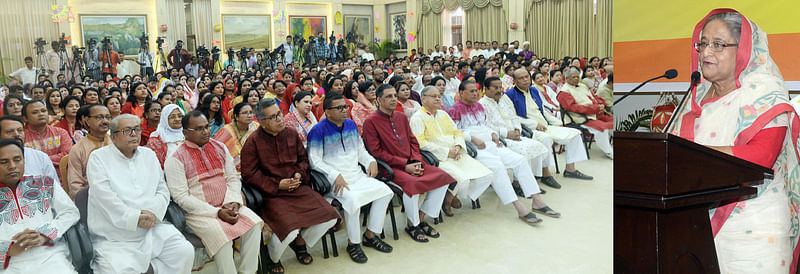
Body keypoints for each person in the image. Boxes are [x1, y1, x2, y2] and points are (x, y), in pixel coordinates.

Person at [668, 9, 800, 273]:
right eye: (703, 44)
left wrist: (687, 153)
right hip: (695, 229)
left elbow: (760, 157)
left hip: (756, 232)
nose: (705, 53)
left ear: (744, 50)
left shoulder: (766, 95)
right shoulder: (694, 100)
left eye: (718, 45)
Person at [86, 114, 194, 273]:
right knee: (117, 269)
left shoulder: (148, 154)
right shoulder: (98, 158)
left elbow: (162, 189)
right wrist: (134, 218)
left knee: (183, 251)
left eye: (136, 129)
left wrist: (153, 212)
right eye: (127, 130)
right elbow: (105, 198)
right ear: (113, 137)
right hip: (115, 235)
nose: (134, 134)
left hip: (152, 227)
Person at [241, 99, 339, 273]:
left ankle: (300, 241)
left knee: (330, 216)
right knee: (289, 229)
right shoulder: (253, 142)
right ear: (262, 122)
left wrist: (299, 174)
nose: (280, 119)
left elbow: (303, 159)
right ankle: (273, 257)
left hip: (297, 188)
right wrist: (277, 184)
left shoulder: (292, 133)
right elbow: (249, 174)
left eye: (279, 113)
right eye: (273, 117)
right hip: (272, 194)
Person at [165, 111, 263, 274]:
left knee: (254, 224)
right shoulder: (175, 159)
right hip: (199, 214)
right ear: (185, 132)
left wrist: (233, 202)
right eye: (199, 129)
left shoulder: (219, 147)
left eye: (206, 127)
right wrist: (217, 212)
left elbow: (232, 178)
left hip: (228, 205)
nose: (205, 132)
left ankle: (248, 271)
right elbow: (181, 198)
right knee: (221, 237)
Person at [449, 80, 560, 223]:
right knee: (498, 167)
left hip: (491, 142)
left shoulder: (478, 106)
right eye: (471, 91)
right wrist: (473, 139)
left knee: (519, 160)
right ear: (461, 93)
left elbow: (483, 126)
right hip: (474, 148)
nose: (475, 94)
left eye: (476, 91)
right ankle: (518, 206)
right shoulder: (454, 110)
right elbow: (455, 133)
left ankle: (536, 200)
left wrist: (494, 135)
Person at [307, 92, 394, 263]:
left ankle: (370, 234)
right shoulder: (317, 130)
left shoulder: (350, 124)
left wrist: (370, 161)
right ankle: (353, 243)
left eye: (345, 106)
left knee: (385, 191)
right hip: (335, 180)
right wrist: (334, 175)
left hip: (356, 175)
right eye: (339, 108)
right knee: (353, 201)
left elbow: (360, 150)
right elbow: (314, 161)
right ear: (327, 111)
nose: (344, 110)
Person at [362, 84, 454, 242]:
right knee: (412, 185)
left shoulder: (401, 117)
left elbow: (413, 142)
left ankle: (420, 217)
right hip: (390, 168)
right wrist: (404, 165)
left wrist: (417, 160)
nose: (393, 99)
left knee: (443, 178)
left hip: (412, 162)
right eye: (388, 97)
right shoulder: (371, 122)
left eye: (394, 96)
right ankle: (412, 225)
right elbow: (376, 152)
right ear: (378, 100)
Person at [409, 86, 494, 216]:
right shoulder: (418, 117)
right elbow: (421, 143)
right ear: (423, 99)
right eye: (434, 96)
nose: (438, 98)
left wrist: (458, 146)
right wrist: (446, 152)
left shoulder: (443, 114)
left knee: (487, 176)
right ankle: (449, 199)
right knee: (463, 181)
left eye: (439, 96)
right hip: (438, 158)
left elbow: (457, 132)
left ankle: (451, 194)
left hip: (457, 153)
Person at [0, 138, 79, 273]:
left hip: (50, 255)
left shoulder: (44, 183)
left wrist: (44, 234)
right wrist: (8, 249)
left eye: (17, 160)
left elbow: (71, 212)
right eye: (4, 162)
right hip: (11, 263)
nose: (12, 166)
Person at [505, 68, 593, 180]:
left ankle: (570, 169)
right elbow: (512, 117)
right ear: (515, 81)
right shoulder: (509, 94)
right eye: (521, 78)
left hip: (545, 125)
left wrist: (556, 122)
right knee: (546, 139)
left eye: (526, 77)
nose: (525, 80)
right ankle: (545, 174)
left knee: (575, 134)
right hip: (529, 128)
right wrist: (534, 124)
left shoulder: (534, 90)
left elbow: (542, 110)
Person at [480, 77, 562, 189]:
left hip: (515, 134)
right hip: (500, 138)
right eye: (495, 88)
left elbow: (514, 117)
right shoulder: (482, 104)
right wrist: (507, 134)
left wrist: (517, 130)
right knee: (523, 151)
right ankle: (518, 183)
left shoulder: (504, 100)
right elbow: (486, 126)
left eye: (500, 87)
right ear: (487, 89)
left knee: (537, 145)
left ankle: (533, 178)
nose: (499, 90)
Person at [558, 67, 614, 159]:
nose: (576, 79)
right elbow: (573, 108)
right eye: (573, 77)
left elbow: (593, 98)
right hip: (579, 117)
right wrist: (594, 108)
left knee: (614, 122)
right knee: (602, 128)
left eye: (577, 77)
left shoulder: (582, 86)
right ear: (567, 78)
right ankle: (609, 151)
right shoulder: (564, 91)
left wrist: (600, 105)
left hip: (594, 112)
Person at [66, 105, 111, 199]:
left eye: (108, 117)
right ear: (87, 121)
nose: (105, 121)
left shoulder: (118, 143)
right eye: (99, 117)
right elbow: (75, 186)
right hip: (93, 199)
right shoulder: (78, 149)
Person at [0, 116, 60, 185]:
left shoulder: (40, 157)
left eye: (20, 130)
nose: (17, 134)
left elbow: (55, 188)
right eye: (10, 132)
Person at [22, 101, 72, 172]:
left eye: (43, 111)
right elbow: (24, 162)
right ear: (25, 118)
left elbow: (67, 155)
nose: (41, 114)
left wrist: (39, 161)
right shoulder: (21, 137)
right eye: (35, 112)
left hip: (61, 179)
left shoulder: (60, 133)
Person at [213, 102, 258, 172]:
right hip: (230, 170)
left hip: (254, 168)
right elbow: (216, 151)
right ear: (236, 116)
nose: (249, 115)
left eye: (251, 112)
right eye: (245, 113)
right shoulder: (226, 131)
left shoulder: (256, 127)